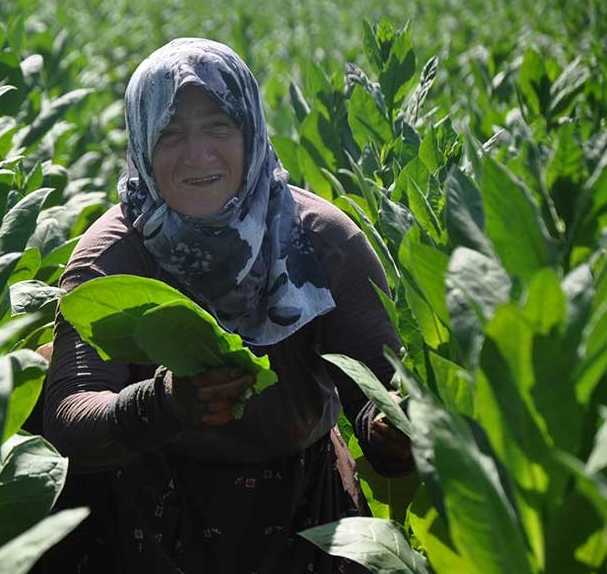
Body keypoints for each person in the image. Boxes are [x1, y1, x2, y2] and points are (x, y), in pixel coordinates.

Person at [41, 38, 412, 574]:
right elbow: (69, 420)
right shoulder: (113, 256)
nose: (198, 155)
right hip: (145, 512)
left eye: (219, 126)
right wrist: (164, 404)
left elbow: (378, 392)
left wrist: (390, 432)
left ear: (250, 130)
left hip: (304, 509)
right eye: (171, 132)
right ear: (143, 142)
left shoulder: (322, 243)